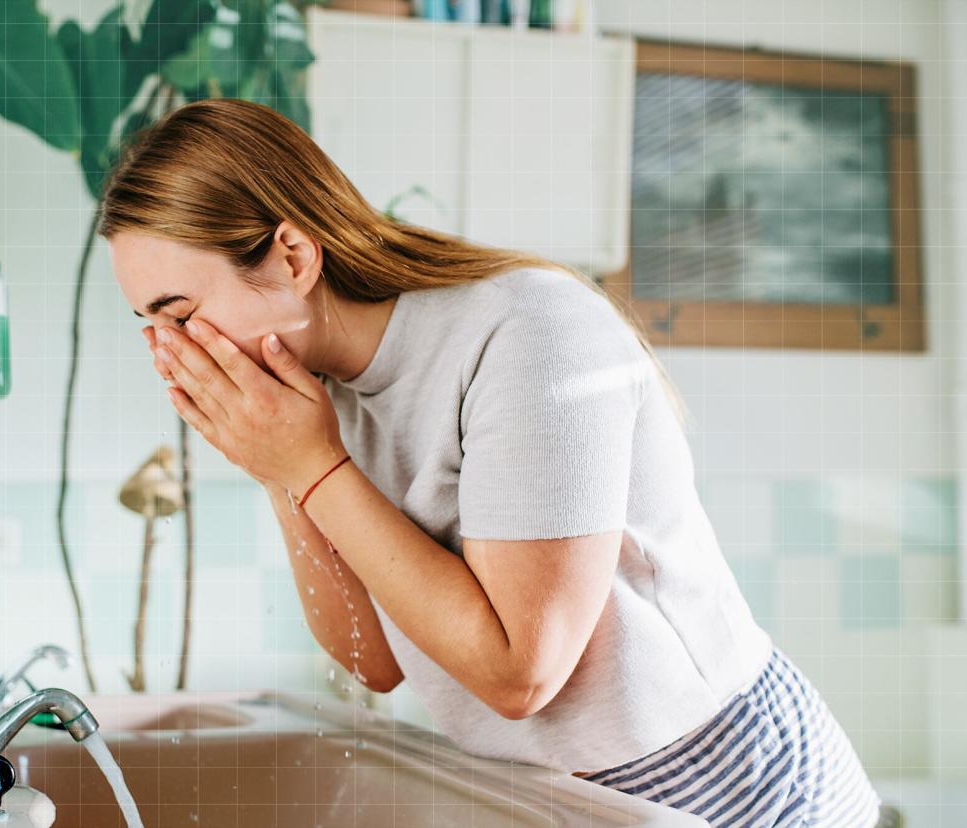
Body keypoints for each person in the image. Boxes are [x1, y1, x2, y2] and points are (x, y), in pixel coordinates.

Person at [97, 98, 883, 827]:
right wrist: (280, 469)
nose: (166, 351)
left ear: (294, 256)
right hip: (565, 796)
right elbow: (372, 662)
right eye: (149, 324)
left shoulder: (528, 331)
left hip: (723, 781)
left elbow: (522, 673)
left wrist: (310, 467)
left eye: (181, 314)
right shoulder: (324, 401)